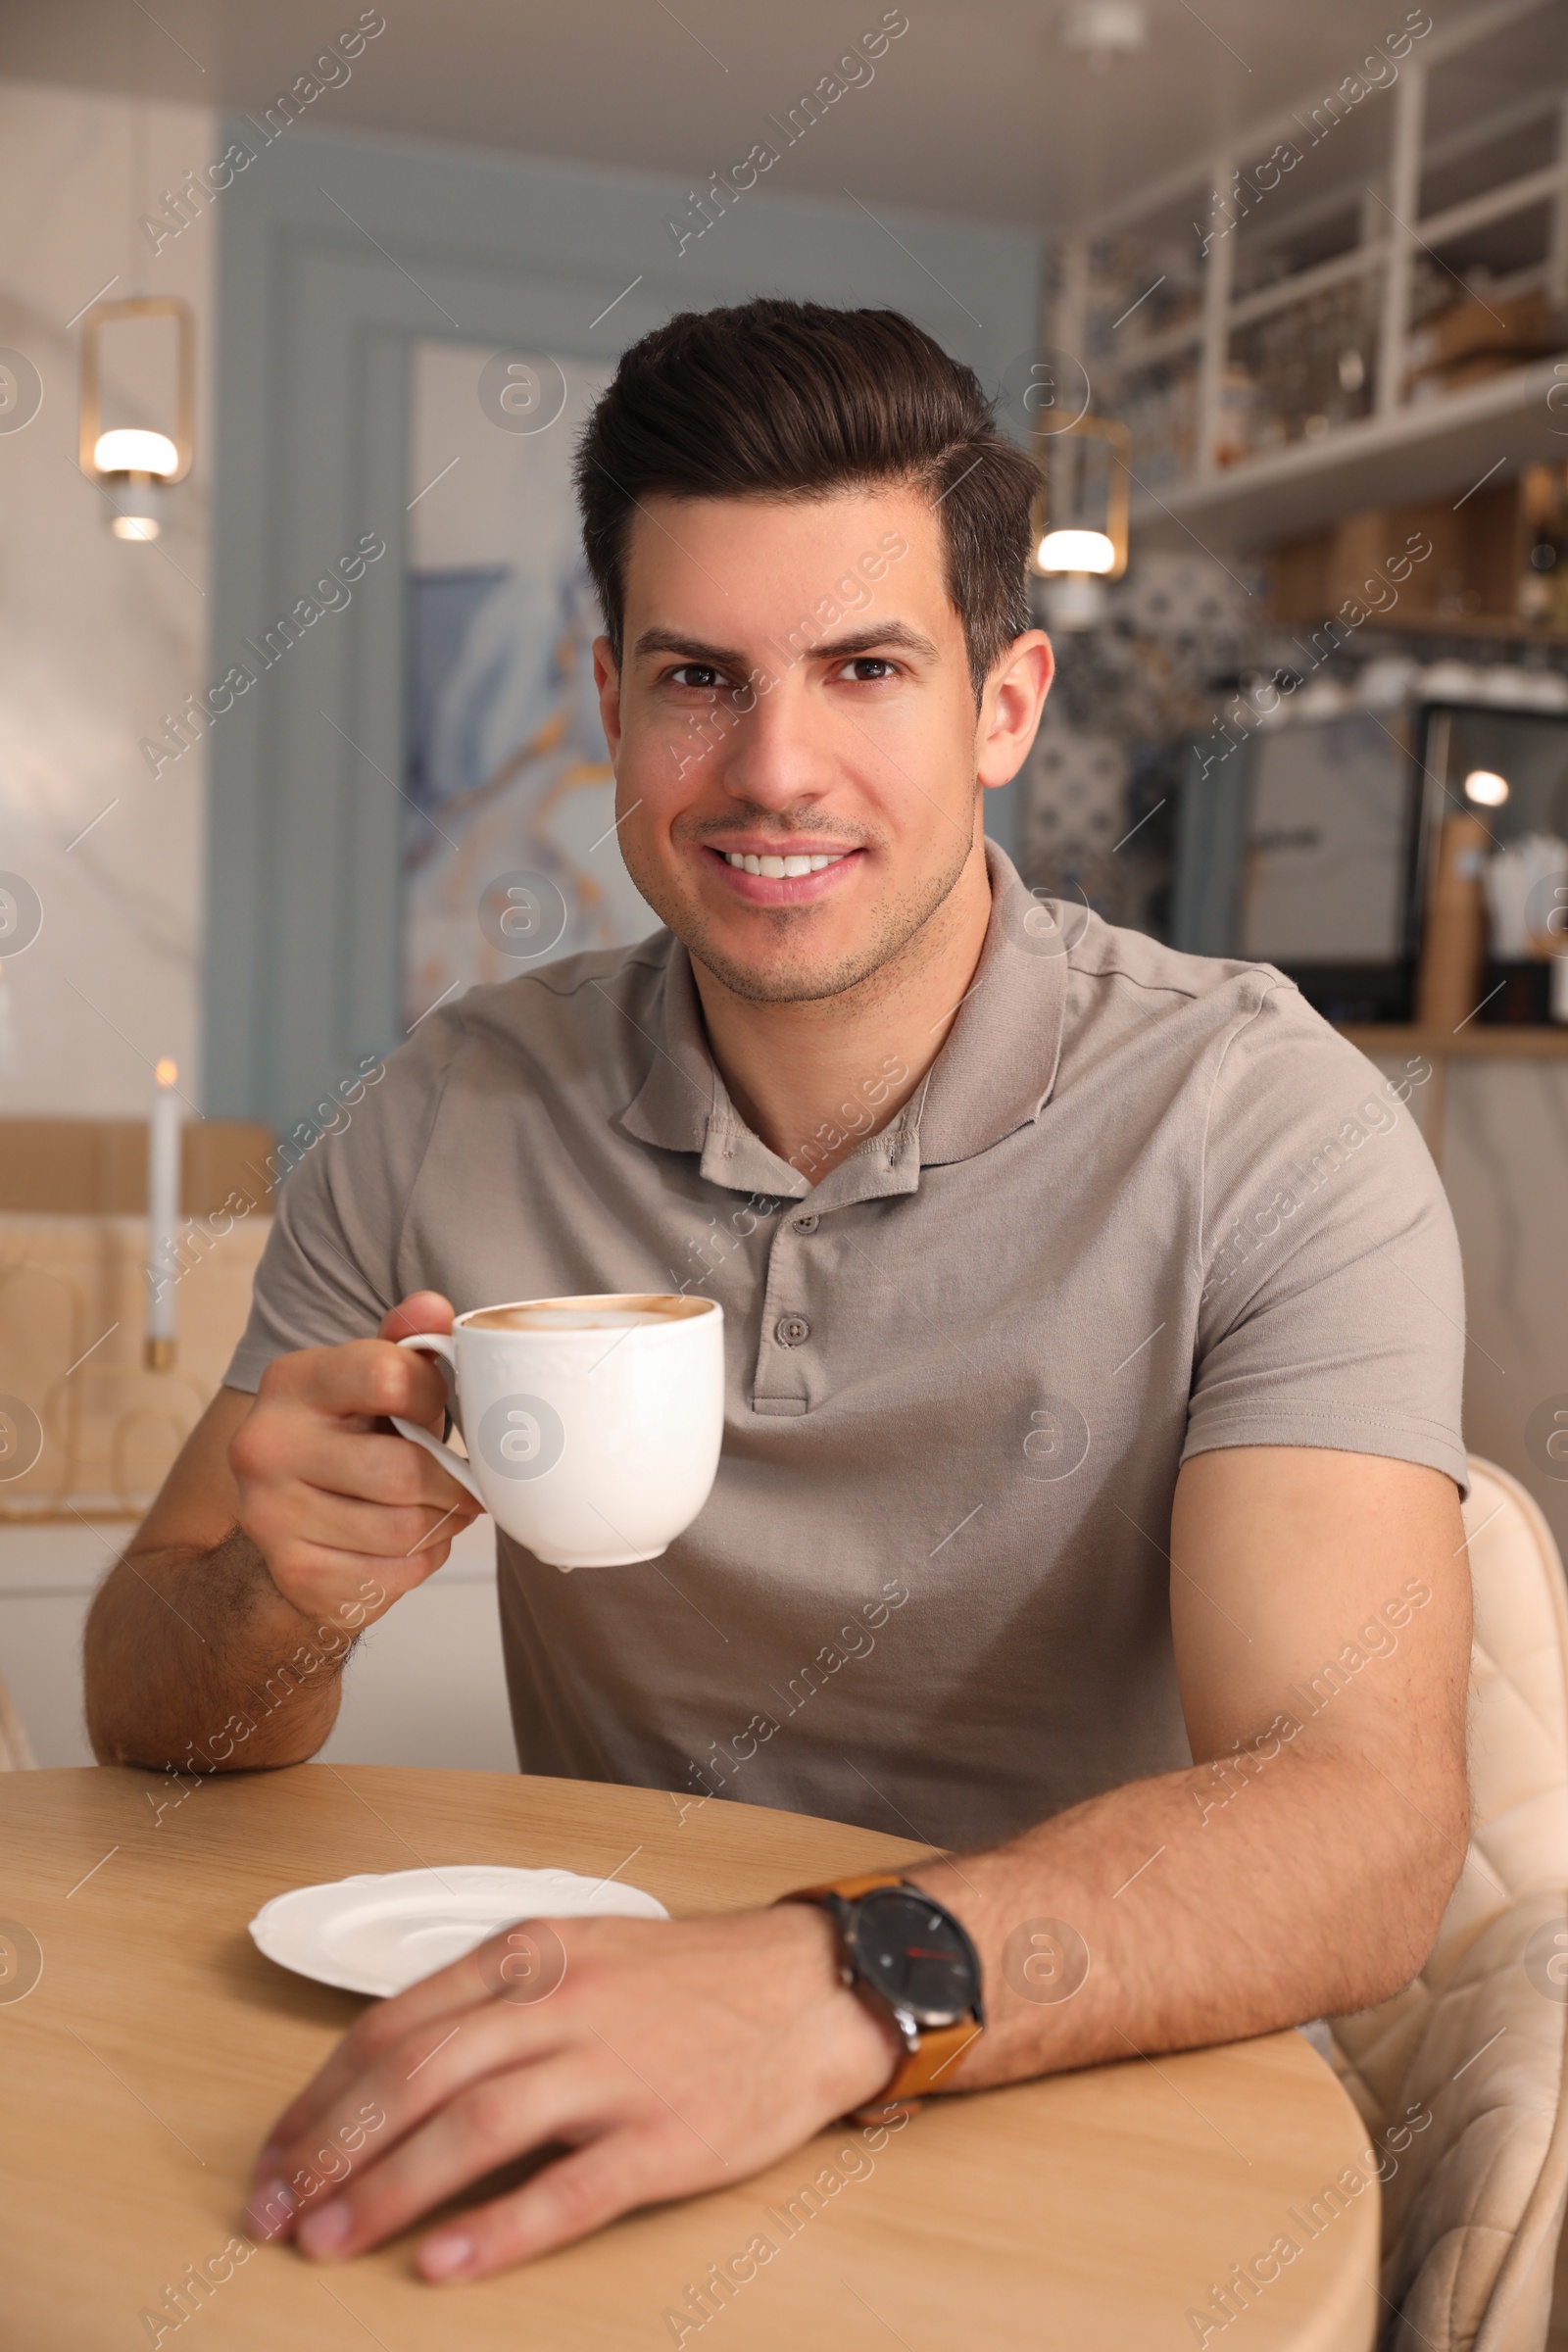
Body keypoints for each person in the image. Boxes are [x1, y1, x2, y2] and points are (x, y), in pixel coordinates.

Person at [84, 298, 1472, 2289]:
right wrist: (267, 1603)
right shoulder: (443, 1113)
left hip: (1104, 2108)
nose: (771, 767)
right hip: (621, 2083)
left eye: (862, 669)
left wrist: (824, 1989)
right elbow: (141, 1691)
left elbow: (1361, 1828)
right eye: (697, 679)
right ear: (608, 703)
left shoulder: (1263, 1126)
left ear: (1002, 707)